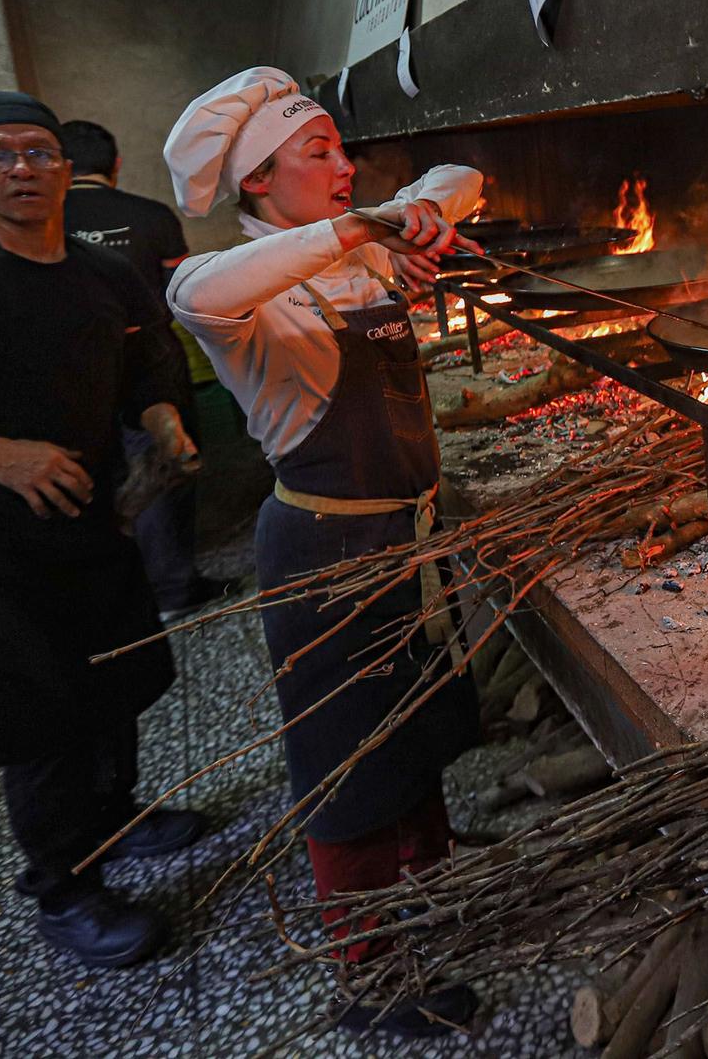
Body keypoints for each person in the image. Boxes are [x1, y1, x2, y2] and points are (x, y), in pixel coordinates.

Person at [164, 67, 483, 1037]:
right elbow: (198, 290)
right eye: (319, 155)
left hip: (404, 537)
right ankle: (370, 974)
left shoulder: (361, 262)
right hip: (323, 547)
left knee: (416, 735)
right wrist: (367, 224)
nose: (344, 167)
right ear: (258, 183)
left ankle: (429, 901)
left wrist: (412, 214)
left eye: (343, 149)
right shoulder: (241, 293)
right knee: (344, 766)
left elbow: (464, 172)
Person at [0, 91, 208, 968]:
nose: (21, 170)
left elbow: (146, 359)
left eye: (37, 153)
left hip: (89, 510)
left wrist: (161, 421)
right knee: (38, 707)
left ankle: (113, 817)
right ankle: (63, 887)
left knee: (111, 675)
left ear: (64, 168)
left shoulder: (103, 274)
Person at [60, 118, 223, 617]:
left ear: (60, 166)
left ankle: (108, 592)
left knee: (86, 472)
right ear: (117, 164)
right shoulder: (151, 216)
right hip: (147, 358)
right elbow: (182, 294)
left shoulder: (45, 219)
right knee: (162, 464)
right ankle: (173, 590)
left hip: (69, 369)